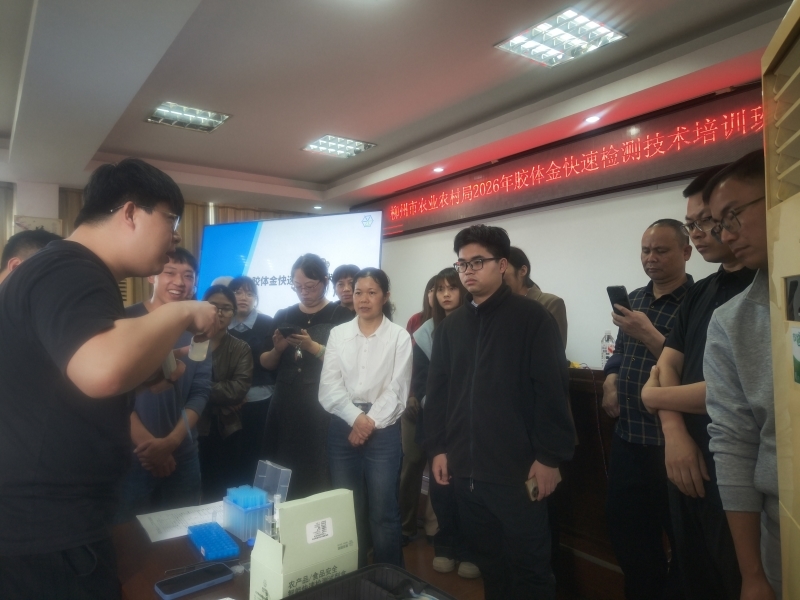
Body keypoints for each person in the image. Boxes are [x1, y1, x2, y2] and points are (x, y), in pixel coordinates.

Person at [0, 158, 219, 599]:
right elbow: (101, 371)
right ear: (131, 213)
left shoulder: (70, 271)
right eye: (171, 220)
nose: (176, 237)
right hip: (48, 531)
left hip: (50, 522)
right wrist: (185, 311)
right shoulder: (69, 267)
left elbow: (66, 379)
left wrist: (144, 377)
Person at [426, 225, 575, 600]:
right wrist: (438, 448)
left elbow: (552, 390)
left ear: (503, 264)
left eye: (478, 261)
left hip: (518, 472)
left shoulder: (532, 318)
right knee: (490, 565)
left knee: (530, 569)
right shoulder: (451, 328)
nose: (468, 271)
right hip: (466, 470)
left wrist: (549, 457)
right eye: (462, 264)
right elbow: (439, 393)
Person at [640, 167, 753, 599]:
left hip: (738, 463)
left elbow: (733, 390)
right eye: (693, 224)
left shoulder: (762, 287)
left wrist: (654, 397)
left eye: (708, 221)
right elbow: (667, 364)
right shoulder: (701, 292)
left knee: (739, 578)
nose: (702, 233)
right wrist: (674, 433)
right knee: (694, 573)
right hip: (684, 456)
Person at [703, 151, 781, 598]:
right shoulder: (732, 320)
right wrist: (752, 575)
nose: (727, 235)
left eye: (733, 216)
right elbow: (734, 442)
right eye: (719, 225)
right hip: (783, 526)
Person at [602, 218, 693, 600]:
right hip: (628, 439)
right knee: (629, 539)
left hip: (673, 445)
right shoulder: (635, 299)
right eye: (645, 250)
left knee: (685, 544)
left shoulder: (697, 301)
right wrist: (610, 379)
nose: (651, 258)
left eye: (661, 250)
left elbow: (696, 370)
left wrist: (649, 333)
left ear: (686, 252)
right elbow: (620, 352)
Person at [319, 268, 412, 567]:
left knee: (383, 510)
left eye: (372, 292)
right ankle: (353, 574)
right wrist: (357, 419)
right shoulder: (339, 334)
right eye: (358, 292)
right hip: (343, 427)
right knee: (347, 507)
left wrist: (367, 422)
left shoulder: (399, 337)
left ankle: (390, 578)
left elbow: (398, 390)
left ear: (385, 297)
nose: (363, 299)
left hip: (384, 429)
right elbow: (329, 387)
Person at [115, 248, 212, 523]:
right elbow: (114, 392)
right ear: (152, 276)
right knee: (129, 536)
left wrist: (170, 443)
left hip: (183, 452)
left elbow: (200, 392)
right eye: (170, 272)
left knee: (184, 532)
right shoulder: (124, 320)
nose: (179, 282)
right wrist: (150, 446)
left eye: (188, 276)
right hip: (134, 455)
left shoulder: (198, 328)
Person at [260, 254, 353, 499]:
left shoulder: (341, 315)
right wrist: (278, 349)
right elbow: (266, 363)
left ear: (325, 281)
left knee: (318, 462)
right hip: (285, 400)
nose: (304, 292)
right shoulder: (283, 314)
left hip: (323, 401)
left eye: (310, 286)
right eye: (297, 286)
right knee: (283, 459)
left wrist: (312, 346)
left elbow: (349, 364)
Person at [414, 268, 480, 579]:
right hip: (437, 422)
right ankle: (445, 545)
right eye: (440, 289)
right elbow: (421, 382)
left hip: (471, 422)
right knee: (441, 487)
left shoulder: (478, 325)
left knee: (468, 488)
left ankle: (471, 550)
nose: (446, 294)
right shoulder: (425, 333)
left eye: (452, 288)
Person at [197, 285, 253, 502]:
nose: (219, 313)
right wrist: (219, 393)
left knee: (220, 492)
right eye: (213, 306)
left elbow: (238, 390)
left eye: (226, 308)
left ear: (233, 313)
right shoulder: (188, 341)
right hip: (190, 427)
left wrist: (197, 390)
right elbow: (177, 385)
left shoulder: (241, 348)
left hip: (226, 430)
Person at [399, 274, 437, 546]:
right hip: (412, 403)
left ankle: (435, 528)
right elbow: (407, 363)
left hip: (441, 408)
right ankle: (405, 525)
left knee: (440, 466)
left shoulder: (462, 322)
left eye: (448, 288)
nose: (440, 294)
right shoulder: (416, 321)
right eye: (434, 289)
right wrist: (410, 396)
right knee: (411, 464)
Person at [227, 276, 276, 485]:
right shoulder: (221, 323)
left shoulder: (268, 323)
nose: (243, 297)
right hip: (226, 403)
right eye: (238, 292)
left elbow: (273, 364)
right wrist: (229, 395)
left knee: (255, 456)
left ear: (255, 298)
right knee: (228, 460)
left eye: (249, 293)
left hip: (260, 400)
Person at [504, 246, 568, 348]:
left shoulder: (551, 303)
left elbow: (555, 350)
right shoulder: (499, 306)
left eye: (504, 266)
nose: (498, 273)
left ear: (522, 271)